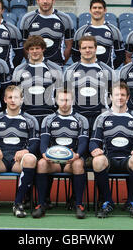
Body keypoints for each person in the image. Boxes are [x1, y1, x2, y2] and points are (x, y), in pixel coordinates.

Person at [89, 82, 133, 219]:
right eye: (116, 95)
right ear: (111, 97)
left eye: (122, 95)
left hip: (128, 159)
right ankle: (108, 201)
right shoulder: (102, 117)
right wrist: (94, 150)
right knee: (97, 161)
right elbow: (93, 141)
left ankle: (130, 202)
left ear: (127, 97)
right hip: (109, 158)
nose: (119, 97)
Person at [0, 85, 40, 218]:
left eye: (16, 97)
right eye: (10, 97)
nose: (13, 100)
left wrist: (27, 150)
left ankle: (18, 203)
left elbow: (35, 142)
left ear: (21, 100)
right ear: (5, 99)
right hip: (1, 159)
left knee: (31, 159)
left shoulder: (30, 120)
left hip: (18, 160)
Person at [32, 88, 90, 219]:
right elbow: (44, 142)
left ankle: (78, 204)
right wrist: (44, 154)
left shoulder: (81, 119)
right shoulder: (48, 119)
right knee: (41, 164)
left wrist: (77, 155)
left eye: (67, 100)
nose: (64, 103)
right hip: (55, 161)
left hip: (72, 160)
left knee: (78, 164)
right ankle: (41, 204)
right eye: (62, 100)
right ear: (56, 101)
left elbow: (83, 142)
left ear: (73, 100)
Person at [64, 35, 115, 130]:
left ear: (96, 49)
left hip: (100, 117)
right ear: (79, 49)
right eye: (84, 48)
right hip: (77, 118)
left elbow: (114, 96)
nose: (87, 50)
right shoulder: (70, 70)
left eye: (90, 47)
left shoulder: (107, 71)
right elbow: (65, 97)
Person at [12, 35, 63, 127]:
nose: (34, 51)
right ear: (27, 50)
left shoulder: (55, 68)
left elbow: (60, 94)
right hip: (27, 115)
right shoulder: (19, 69)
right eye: (31, 49)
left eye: (37, 48)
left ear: (43, 49)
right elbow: (16, 96)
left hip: (49, 114)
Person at [19, 0, 75, 67]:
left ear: (53, 0)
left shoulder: (65, 19)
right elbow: (24, 45)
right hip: (35, 66)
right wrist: (31, 61)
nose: (45, 1)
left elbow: (69, 46)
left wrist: (61, 62)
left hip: (56, 66)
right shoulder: (27, 19)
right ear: (37, 1)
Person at [72, 0, 125, 69]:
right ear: (90, 10)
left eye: (100, 8)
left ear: (105, 10)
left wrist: (110, 69)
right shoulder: (81, 31)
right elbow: (75, 55)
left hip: (106, 75)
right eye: (94, 8)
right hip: (86, 73)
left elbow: (121, 56)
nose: (97, 10)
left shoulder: (114, 31)